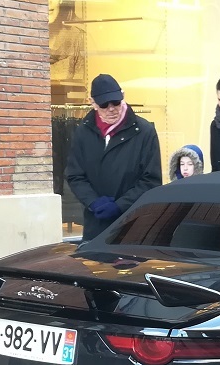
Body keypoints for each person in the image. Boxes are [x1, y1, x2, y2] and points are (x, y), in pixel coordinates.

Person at [66, 73, 162, 241]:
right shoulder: (83, 132)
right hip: (96, 225)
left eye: (116, 102)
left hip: (133, 225)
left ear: (123, 97)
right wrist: (93, 202)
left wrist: (120, 206)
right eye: (104, 104)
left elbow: (151, 180)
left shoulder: (144, 132)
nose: (111, 108)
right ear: (93, 103)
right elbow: (75, 175)